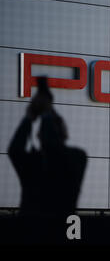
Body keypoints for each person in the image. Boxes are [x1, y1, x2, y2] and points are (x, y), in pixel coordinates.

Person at [7, 77, 87, 216]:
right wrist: (48, 112)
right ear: (65, 133)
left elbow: (14, 150)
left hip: (31, 233)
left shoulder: (32, 164)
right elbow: (53, 149)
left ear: (39, 136)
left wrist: (29, 117)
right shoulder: (78, 157)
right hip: (65, 230)